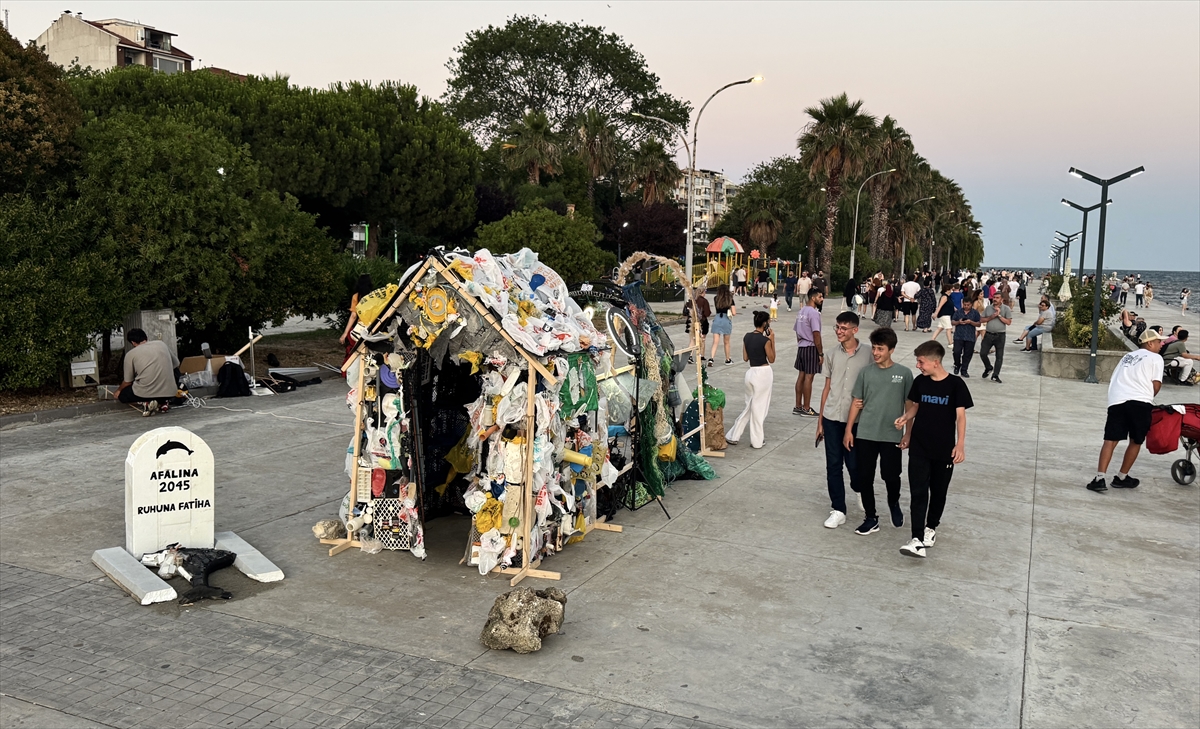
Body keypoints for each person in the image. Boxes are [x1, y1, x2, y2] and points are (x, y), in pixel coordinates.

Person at [894, 340, 973, 558]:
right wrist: (905, 419)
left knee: (938, 492)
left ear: (935, 362)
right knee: (918, 492)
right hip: (920, 447)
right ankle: (916, 538)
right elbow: (916, 407)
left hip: (944, 450)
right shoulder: (920, 382)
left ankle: (931, 528)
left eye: (921, 362)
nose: (918, 366)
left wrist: (960, 444)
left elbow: (960, 417)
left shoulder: (956, 385)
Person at [843, 327, 913, 535]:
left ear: (891, 350)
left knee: (891, 475)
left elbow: (909, 406)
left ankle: (894, 503)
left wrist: (908, 433)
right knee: (865, 477)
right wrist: (849, 430)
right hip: (866, 433)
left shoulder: (904, 374)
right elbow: (857, 402)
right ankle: (871, 517)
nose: (875, 353)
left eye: (880, 349)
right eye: (874, 348)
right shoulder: (866, 373)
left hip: (891, 434)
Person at [1086, 329, 1166, 492]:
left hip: (1117, 400)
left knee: (1110, 440)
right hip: (1140, 402)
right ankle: (1122, 477)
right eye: (1159, 342)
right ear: (1150, 343)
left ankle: (1099, 478)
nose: (1161, 344)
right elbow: (1156, 385)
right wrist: (1148, 396)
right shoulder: (1156, 358)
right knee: (1136, 440)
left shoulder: (1127, 357)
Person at [816, 311, 871, 528]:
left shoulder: (868, 353)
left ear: (855, 330)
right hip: (831, 416)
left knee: (855, 464)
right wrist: (820, 421)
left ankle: (858, 489)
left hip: (856, 420)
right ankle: (838, 509)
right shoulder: (831, 354)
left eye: (843, 328)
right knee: (833, 465)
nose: (839, 331)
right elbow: (827, 388)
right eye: (837, 327)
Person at [726, 311, 777, 448]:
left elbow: (745, 357)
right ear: (765, 323)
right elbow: (771, 359)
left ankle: (733, 435)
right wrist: (772, 339)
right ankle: (757, 441)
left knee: (749, 406)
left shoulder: (747, 337)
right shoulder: (765, 340)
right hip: (763, 374)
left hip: (750, 373)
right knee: (759, 409)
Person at [116, 328, 181, 416]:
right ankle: (162, 402)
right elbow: (176, 364)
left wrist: (118, 390)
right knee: (176, 371)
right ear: (145, 337)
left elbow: (128, 381)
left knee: (123, 395)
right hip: (170, 392)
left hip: (145, 393)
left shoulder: (130, 354)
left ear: (133, 342)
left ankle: (146, 401)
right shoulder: (161, 344)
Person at [793, 289, 824, 417]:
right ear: (813, 298)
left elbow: (796, 331)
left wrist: (800, 343)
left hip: (801, 347)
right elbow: (816, 334)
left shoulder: (801, 312)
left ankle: (798, 406)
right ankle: (806, 408)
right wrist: (820, 353)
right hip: (811, 347)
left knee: (801, 375)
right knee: (809, 377)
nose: (822, 299)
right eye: (820, 296)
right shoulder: (814, 313)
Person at [979, 291, 1012, 383]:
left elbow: (1008, 322)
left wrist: (999, 315)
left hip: (1000, 335)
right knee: (983, 353)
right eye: (994, 297)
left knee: (999, 356)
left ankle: (995, 375)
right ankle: (988, 367)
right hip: (988, 334)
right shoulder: (988, 308)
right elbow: (982, 319)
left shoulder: (1006, 309)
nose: (994, 299)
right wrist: (992, 316)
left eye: (997, 298)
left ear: (1002, 299)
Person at [340, 274, 375, 352]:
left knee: (359, 350)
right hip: (373, 326)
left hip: (360, 327)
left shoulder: (356, 296)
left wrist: (345, 333)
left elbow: (353, 315)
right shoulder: (374, 295)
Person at [951, 291, 981, 377]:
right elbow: (953, 322)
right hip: (959, 335)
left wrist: (971, 322)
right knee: (956, 352)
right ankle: (957, 364)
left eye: (968, 305)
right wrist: (958, 322)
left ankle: (964, 369)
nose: (966, 306)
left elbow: (978, 323)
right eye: (964, 305)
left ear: (971, 304)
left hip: (970, 336)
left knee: (968, 354)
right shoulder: (958, 312)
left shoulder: (975, 313)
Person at [709, 284, 736, 366]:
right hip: (726, 319)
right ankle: (728, 359)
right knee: (726, 342)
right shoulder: (730, 299)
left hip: (717, 319)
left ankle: (711, 358)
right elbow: (734, 313)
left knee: (715, 342)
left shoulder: (716, 298)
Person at [683, 287, 712, 359]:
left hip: (691, 321)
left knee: (692, 339)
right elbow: (707, 313)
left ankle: (689, 355)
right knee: (702, 339)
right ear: (702, 293)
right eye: (705, 292)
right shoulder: (704, 301)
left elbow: (684, 312)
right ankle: (701, 355)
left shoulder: (691, 300)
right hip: (702, 322)